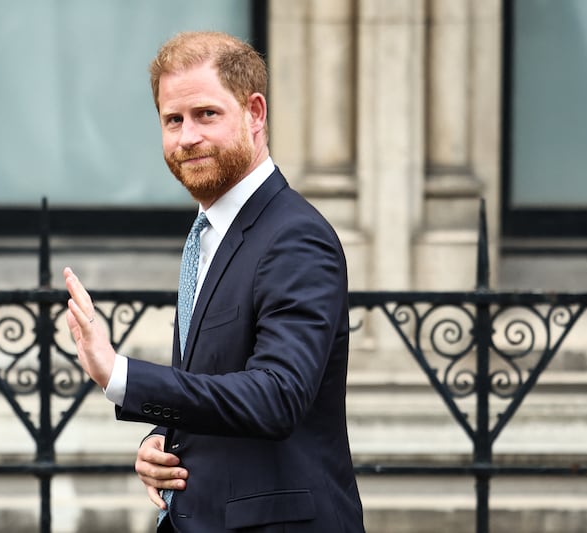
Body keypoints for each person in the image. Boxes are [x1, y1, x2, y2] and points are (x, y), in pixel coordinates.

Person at [63, 31, 364, 532]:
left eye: (207, 114)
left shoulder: (295, 237)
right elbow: (218, 378)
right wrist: (161, 440)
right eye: (172, 120)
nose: (187, 137)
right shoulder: (210, 234)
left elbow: (277, 396)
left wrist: (120, 376)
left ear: (255, 113)